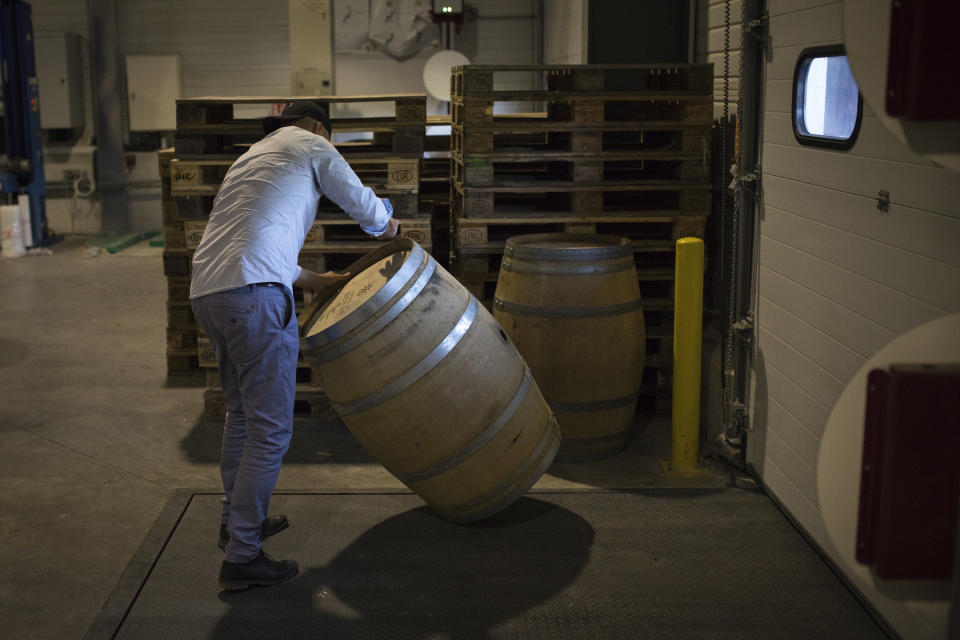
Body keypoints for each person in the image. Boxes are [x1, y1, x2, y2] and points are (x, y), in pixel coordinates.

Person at [189, 100, 398, 590]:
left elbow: (253, 244)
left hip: (211, 295)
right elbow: (361, 203)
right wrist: (388, 225)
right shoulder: (310, 144)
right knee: (270, 429)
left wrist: (313, 280)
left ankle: (237, 520)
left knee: (241, 414)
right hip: (255, 300)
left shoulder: (253, 155)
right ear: (321, 127)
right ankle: (243, 554)